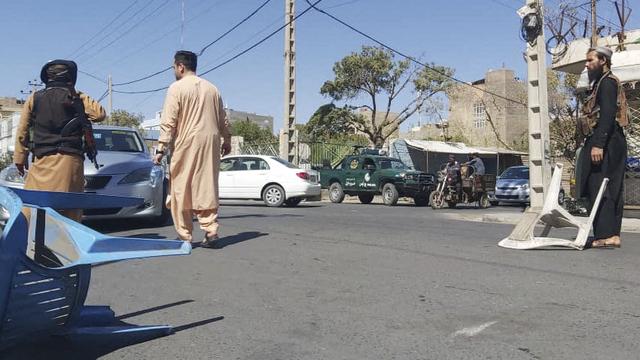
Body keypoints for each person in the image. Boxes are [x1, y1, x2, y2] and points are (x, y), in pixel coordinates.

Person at [153, 50, 231, 247]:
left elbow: (168, 122)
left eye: (173, 67)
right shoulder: (213, 89)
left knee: (181, 188)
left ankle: (184, 235)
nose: (174, 71)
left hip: (186, 142)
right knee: (207, 186)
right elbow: (224, 119)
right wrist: (227, 140)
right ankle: (211, 231)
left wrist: (161, 149)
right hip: (211, 142)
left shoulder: (176, 88)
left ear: (180, 67)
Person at [13, 59, 106, 221]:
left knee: (32, 209)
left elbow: (22, 131)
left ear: (47, 78)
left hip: (41, 163)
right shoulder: (77, 98)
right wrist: (78, 94)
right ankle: (64, 245)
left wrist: (19, 159)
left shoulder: (34, 98)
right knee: (69, 212)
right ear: (70, 77)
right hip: (70, 164)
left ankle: (32, 243)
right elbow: (99, 114)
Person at [578, 46, 627, 248]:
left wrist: (598, 144)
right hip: (613, 141)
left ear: (603, 61)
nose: (587, 64)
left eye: (590, 60)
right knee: (611, 186)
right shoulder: (602, 83)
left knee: (598, 185)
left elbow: (607, 114)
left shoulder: (606, 83)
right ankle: (612, 234)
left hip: (607, 142)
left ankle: (606, 234)